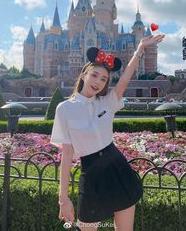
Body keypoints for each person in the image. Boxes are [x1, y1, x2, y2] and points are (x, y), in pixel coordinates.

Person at [50, 34, 165, 231]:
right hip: (92, 175)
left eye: (104, 79)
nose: (98, 81)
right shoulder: (64, 108)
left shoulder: (107, 103)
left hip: (118, 169)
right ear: (84, 74)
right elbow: (67, 154)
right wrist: (63, 199)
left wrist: (139, 49)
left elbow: (126, 78)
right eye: (94, 75)